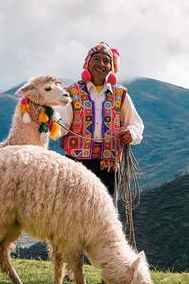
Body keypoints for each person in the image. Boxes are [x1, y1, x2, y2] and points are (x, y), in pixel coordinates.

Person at [55, 41, 144, 204]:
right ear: (87, 62)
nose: (101, 64)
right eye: (96, 59)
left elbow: (136, 124)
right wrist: (48, 126)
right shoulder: (71, 92)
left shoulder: (120, 95)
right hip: (76, 161)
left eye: (106, 60)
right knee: (73, 208)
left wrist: (131, 133)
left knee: (105, 211)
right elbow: (63, 124)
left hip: (108, 164)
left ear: (111, 67)